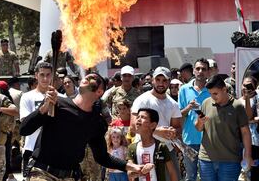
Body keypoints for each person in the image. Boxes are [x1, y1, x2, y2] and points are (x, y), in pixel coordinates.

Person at [20, 72, 149, 180]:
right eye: (86, 76)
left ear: (99, 91)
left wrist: (129, 166)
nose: (87, 77)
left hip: (70, 176)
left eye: (94, 78)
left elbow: (102, 157)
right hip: (42, 173)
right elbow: (24, 129)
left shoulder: (96, 122)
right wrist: (44, 108)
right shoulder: (56, 103)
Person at [195, 74, 253, 181]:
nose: (213, 97)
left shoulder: (237, 106)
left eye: (215, 93)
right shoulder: (205, 103)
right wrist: (200, 122)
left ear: (224, 89)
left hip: (230, 161)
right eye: (210, 94)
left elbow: (245, 132)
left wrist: (248, 156)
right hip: (206, 160)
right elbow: (198, 128)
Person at [130, 66, 182, 180]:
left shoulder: (173, 104)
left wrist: (173, 132)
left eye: (164, 80)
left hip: (166, 150)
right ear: (152, 80)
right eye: (158, 80)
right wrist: (158, 131)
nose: (161, 83)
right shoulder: (142, 100)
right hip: (143, 148)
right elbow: (133, 127)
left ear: (169, 82)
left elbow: (178, 128)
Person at [178, 58, 211, 181]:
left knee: (206, 176)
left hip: (208, 140)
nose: (200, 71)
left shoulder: (212, 90)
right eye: (198, 68)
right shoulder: (184, 90)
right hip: (189, 140)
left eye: (204, 69)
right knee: (190, 176)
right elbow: (179, 114)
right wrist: (189, 107)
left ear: (208, 72)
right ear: (193, 71)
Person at [19, 62, 53, 177]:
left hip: (53, 150)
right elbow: (26, 123)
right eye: (42, 74)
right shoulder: (27, 97)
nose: (45, 78)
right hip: (31, 149)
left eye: (48, 75)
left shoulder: (61, 98)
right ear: (36, 75)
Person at [127, 108, 178, 181]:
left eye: (143, 117)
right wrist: (141, 171)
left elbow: (172, 172)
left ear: (153, 125)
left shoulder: (161, 147)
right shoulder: (132, 148)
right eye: (138, 117)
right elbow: (130, 174)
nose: (138, 119)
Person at [239, 76, 259, 179]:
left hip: (255, 142)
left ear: (255, 87)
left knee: (255, 172)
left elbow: (248, 117)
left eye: (249, 85)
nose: (246, 87)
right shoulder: (237, 101)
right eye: (244, 84)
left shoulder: (257, 98)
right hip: (241, 141)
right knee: (244, 172)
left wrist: (250, 120)